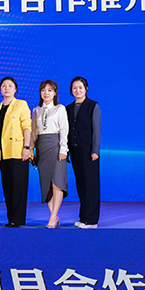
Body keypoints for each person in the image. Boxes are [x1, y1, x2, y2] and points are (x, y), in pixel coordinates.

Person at [0, 76, 32, 228]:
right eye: (4, 86)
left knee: (19, 187)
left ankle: (18, 219)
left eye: (10, 86)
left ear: (15, 89)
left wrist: (27, 147)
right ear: (0, 89)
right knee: (8, 187)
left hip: (18, 151)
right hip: (3, 152)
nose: (7, 88)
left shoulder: (21, 104)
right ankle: (11, 219)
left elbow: (27, 127)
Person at [31, 79, 69, 229]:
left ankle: (53, 218)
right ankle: (54, 215)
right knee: (46, 183)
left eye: (49, 90)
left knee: (57, 183)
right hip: (42, 147)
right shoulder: (36, 110)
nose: (46, 93)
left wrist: (63, 149)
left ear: (55, 93)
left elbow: (64, 130)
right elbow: (34, 133)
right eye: (43, 90)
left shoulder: (60, 108)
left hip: (56, 146)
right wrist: (32, 149)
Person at [67, 76, 102, 229]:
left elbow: (97, 130)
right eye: (74, 88)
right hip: (75, 151)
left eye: (80, 87)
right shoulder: (68, 108)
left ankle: (92, 220)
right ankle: (83, 217)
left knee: (91, 185)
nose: (77, 90)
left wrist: (95, 150)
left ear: (86, 89)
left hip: (89, 152)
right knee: (81, 185)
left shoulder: (93, 105)